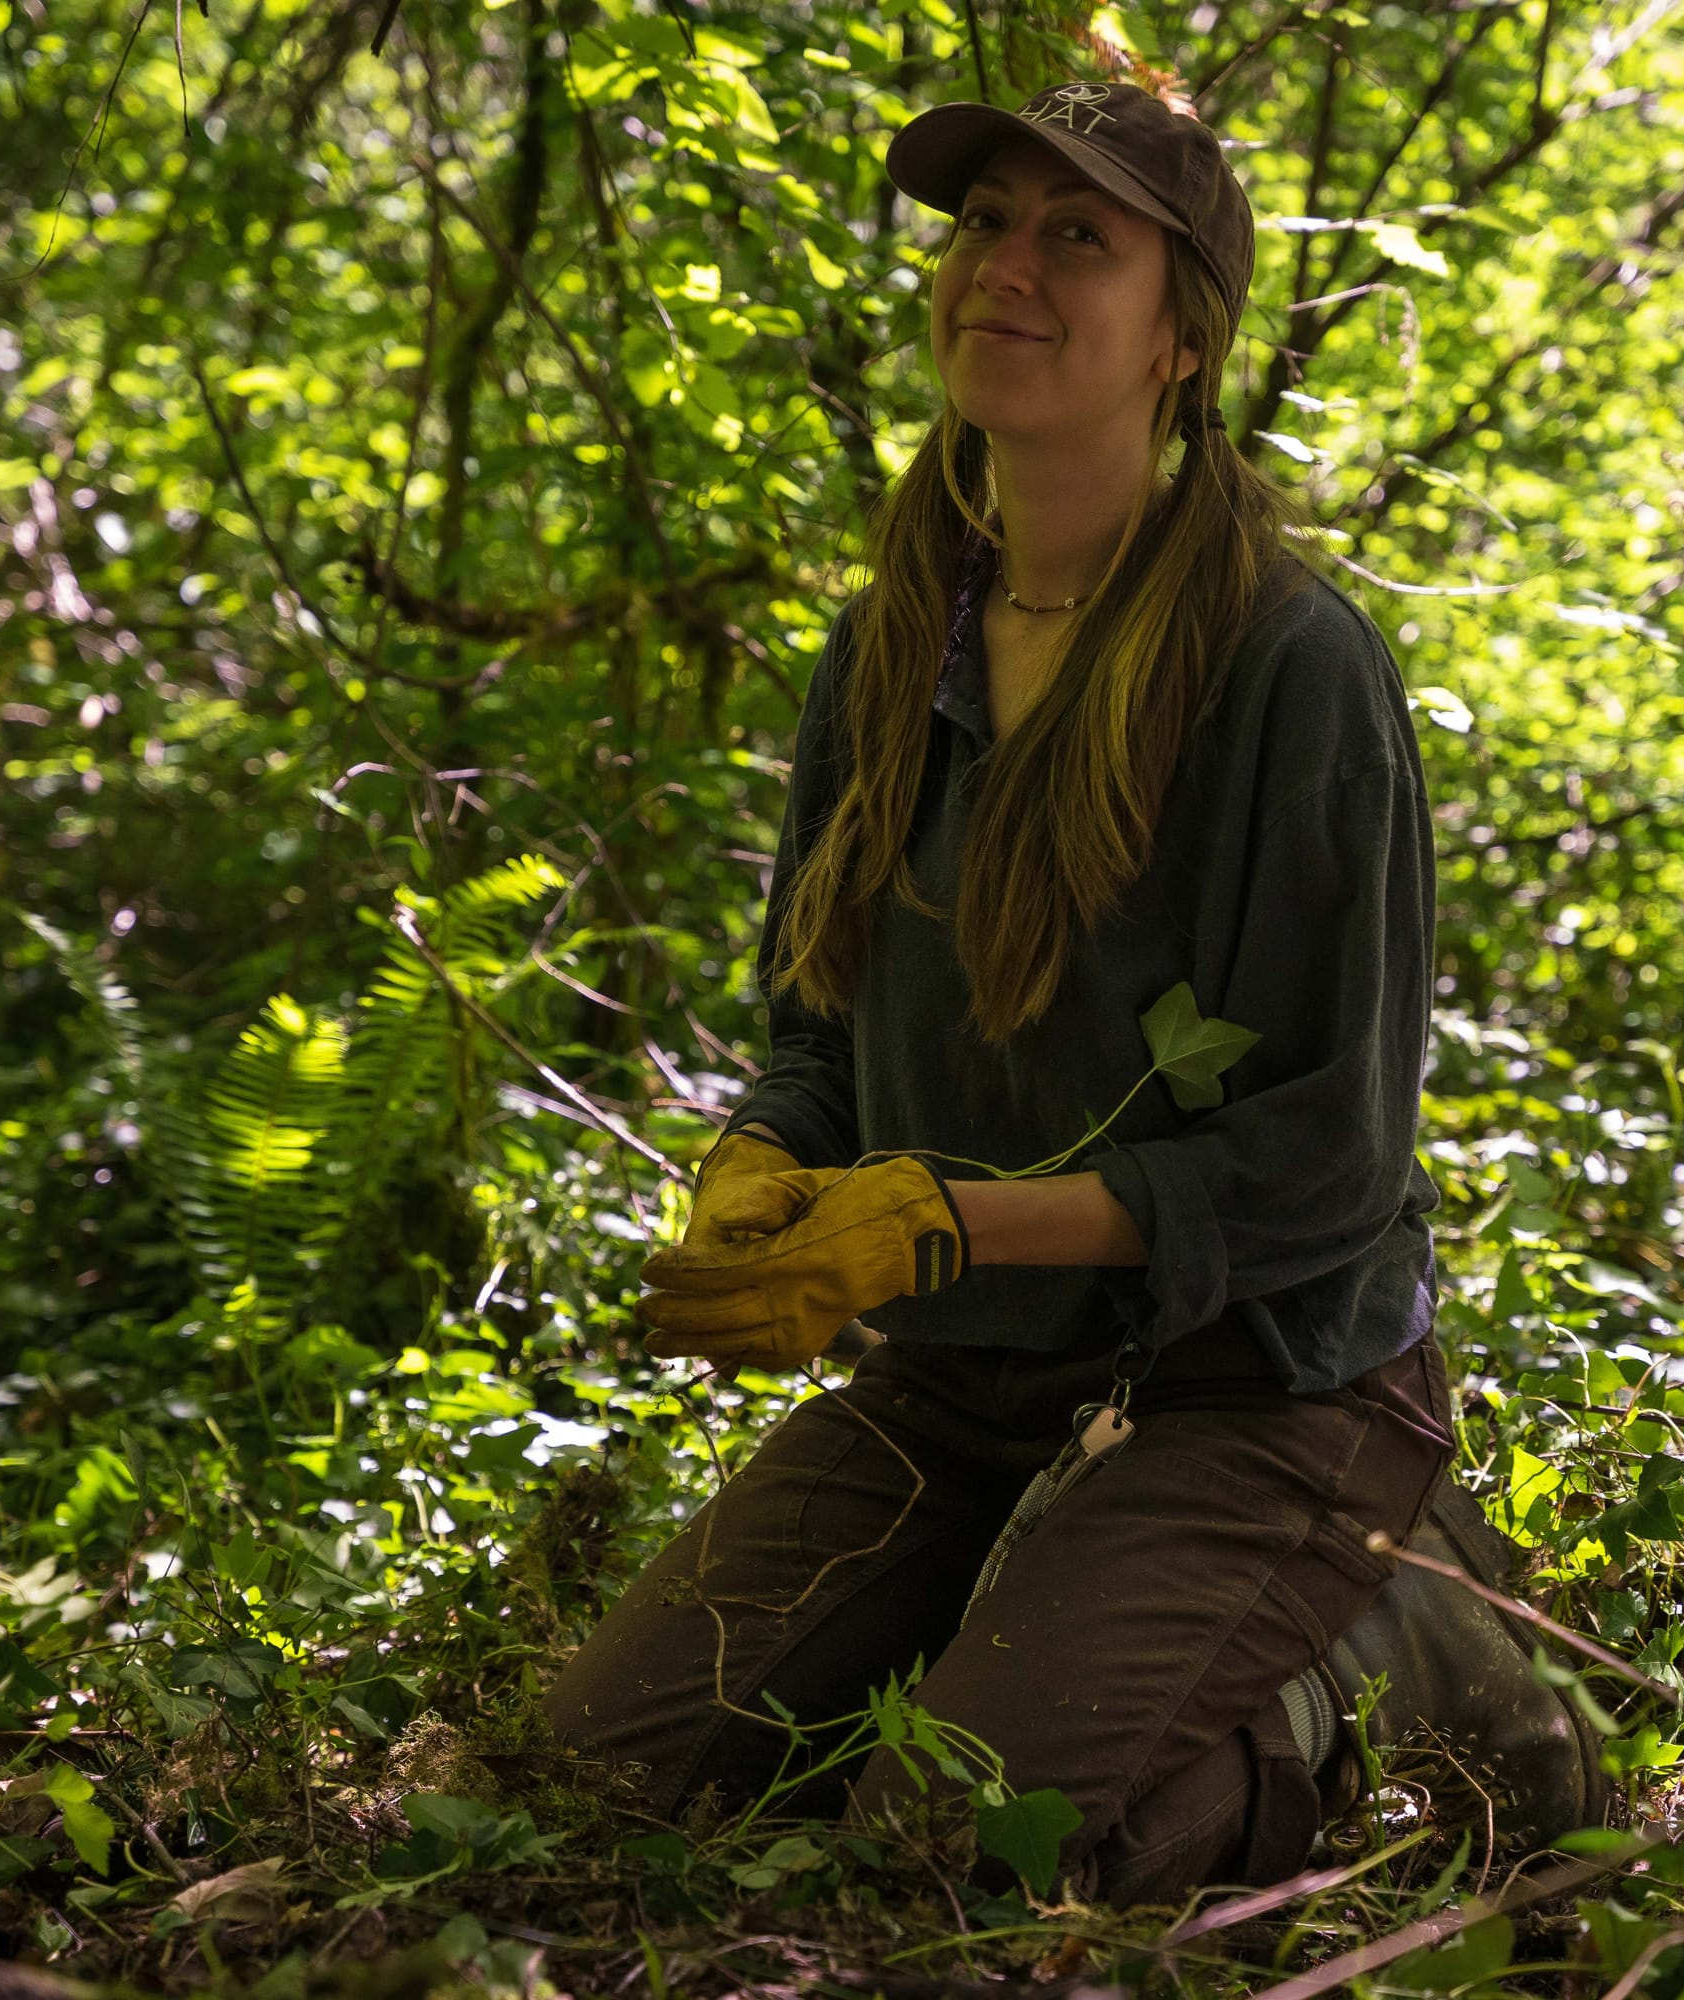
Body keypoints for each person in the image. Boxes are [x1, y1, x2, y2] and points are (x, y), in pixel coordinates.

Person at [543, 76, 1605, 1906]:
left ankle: (1372, 1683)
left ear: (1181, 335)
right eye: (982, 225)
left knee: (958, 1855)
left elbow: (1327, 1167)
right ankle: (1036, 1623)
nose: (1005, 269)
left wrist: (942, 1228)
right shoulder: (893, 640)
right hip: (969, 1391)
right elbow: (821, 1034)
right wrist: (760, 1166)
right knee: (591, 1783)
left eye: (1077, 237)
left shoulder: (1292, 665)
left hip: (1256, 1398)